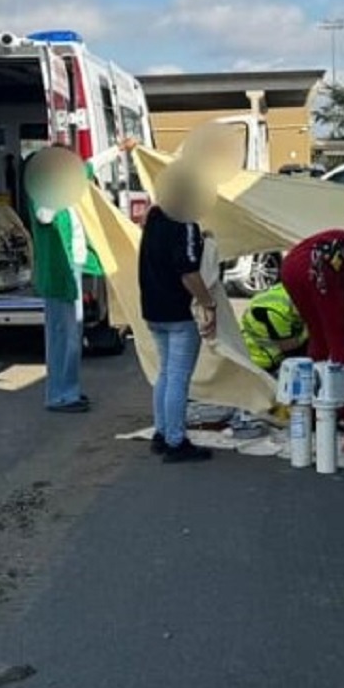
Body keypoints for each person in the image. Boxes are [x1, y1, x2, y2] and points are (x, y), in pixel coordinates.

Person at [139, 162, 218, 463]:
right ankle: (175, 440)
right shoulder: (184, 223)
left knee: (165, 373)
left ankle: (161, 432)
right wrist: (208, 303)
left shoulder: (155, 216)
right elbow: (188, 272)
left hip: (153, 309)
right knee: (178, 377)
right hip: (178, 312)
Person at [26, 146, 104, 414]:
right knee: (62, 335)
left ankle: (68, 390)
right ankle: (59, 396)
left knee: (73, 334)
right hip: (59, 273)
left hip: (74, 268)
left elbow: (92, 165)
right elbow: (44, 215)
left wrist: (120, 149)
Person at [280, 229, 344, 367]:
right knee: (336, 331)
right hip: (321, 269)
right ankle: (341, 377)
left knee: (317, 330)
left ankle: (316, 374)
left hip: (290, 268)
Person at [240, 282, 308, 374]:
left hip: (271, 357)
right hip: (260, 361)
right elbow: (287, 346)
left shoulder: (289, 292)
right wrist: (308, 332)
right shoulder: (276, 312)